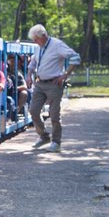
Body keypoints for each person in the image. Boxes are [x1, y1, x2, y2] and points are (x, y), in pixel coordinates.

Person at [26, 24, 81, 152]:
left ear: (44, 36)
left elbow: (75, 57)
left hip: (54, 84)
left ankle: (56, 142)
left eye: (36, 39)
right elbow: (33, 62)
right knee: (33, 110)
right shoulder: (39, 47)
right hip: (40, 83)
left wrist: (65, 75)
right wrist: (29, 75)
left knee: (54, 114)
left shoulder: (57, 45)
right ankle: (43, 136)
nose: (35, 41)